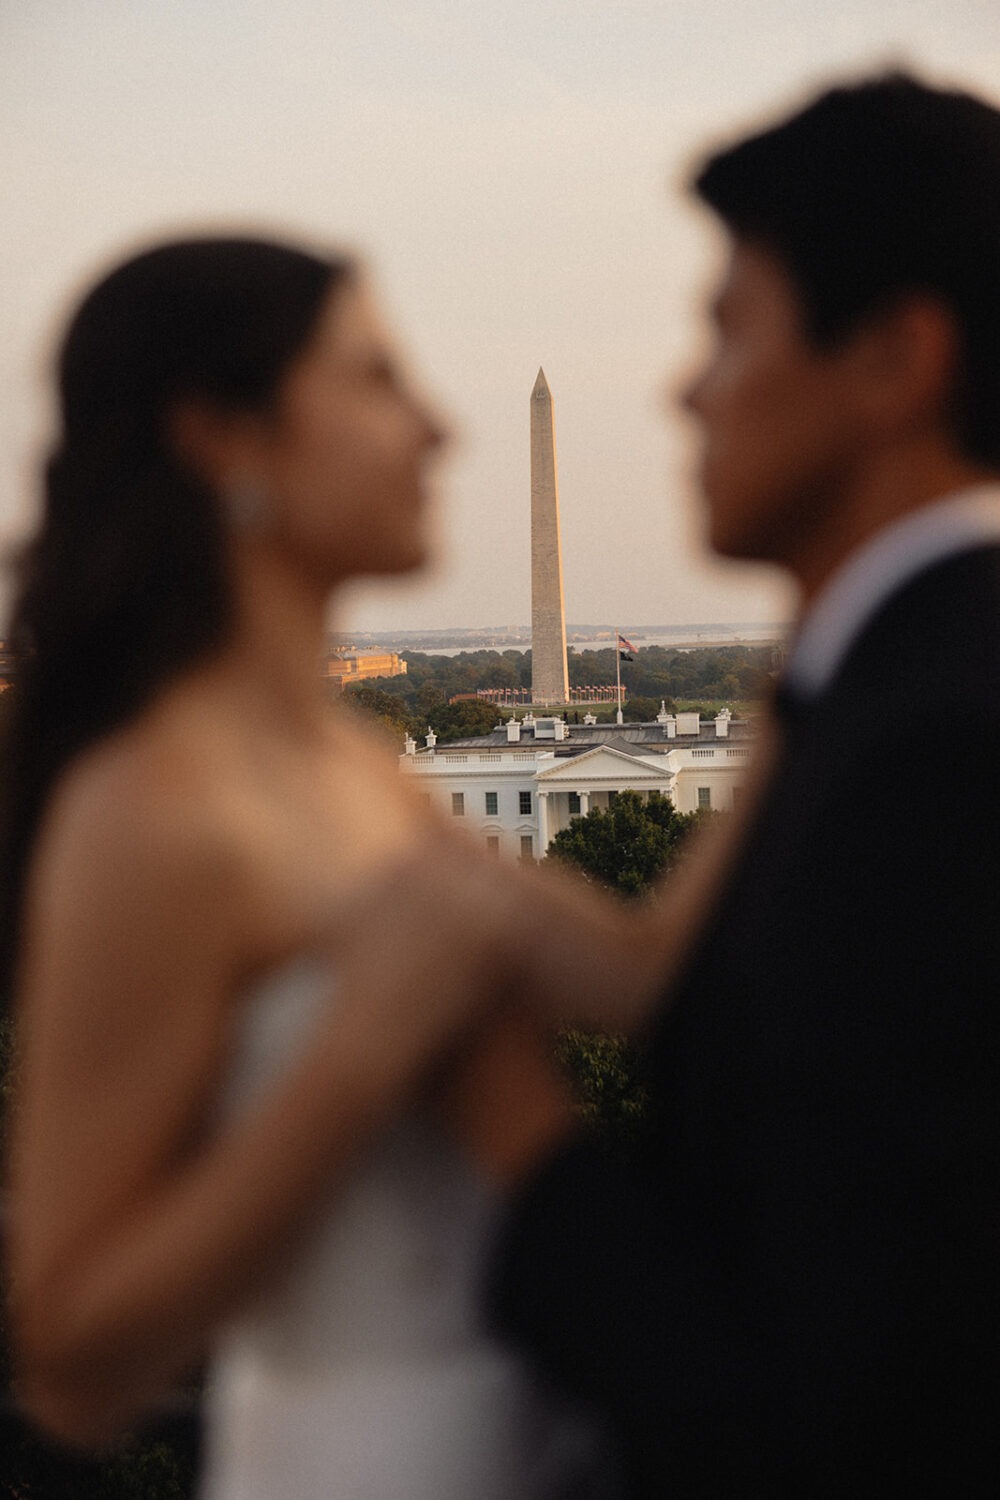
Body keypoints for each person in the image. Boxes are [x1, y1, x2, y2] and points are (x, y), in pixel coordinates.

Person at [1, 235, 638, 1498]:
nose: (439, 431)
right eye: (377, 380)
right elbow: (70, 1357)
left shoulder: (365, 766)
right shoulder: (147, 809)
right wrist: (354, 1056)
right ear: (227, 437)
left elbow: (644, 980)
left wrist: (843, 644)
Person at [491, 72, 1000, 1495]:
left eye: (728, 328)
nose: (682, 387)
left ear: (896, 361)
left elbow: (825, 1408)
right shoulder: (880, 701)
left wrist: (506, 1119)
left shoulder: (935, 761)